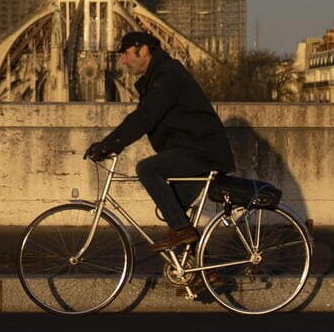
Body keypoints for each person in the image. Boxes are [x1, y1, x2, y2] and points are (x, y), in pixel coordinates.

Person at [83, 31, 235, 251]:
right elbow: (144, 116)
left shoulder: (168, 74)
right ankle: (200, 275)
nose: (123, 61)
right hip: (195, 149)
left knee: (147, 169)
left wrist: (109, 145)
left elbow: (145, 116)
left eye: (126, 54)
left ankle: (182, 232)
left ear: (143, 50)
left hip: (203, 151)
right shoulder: (158, 76)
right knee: (175, 213)